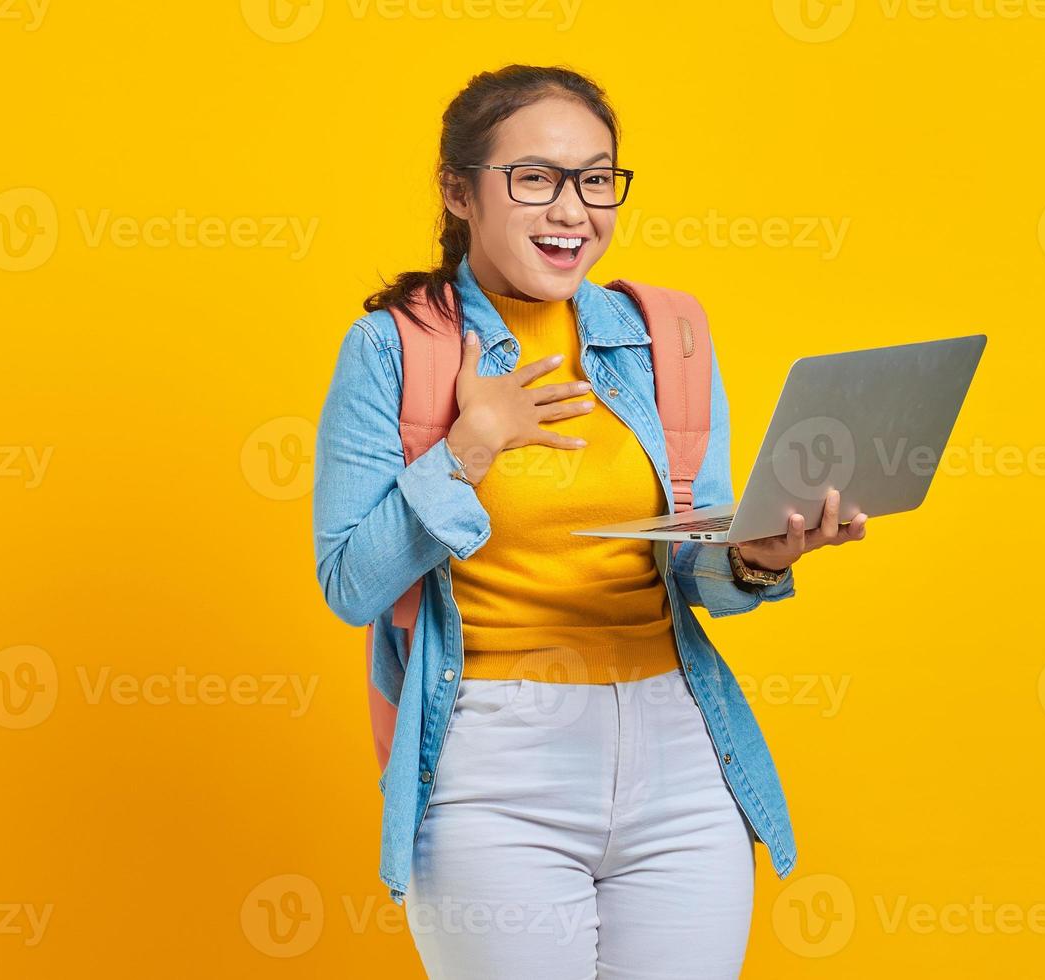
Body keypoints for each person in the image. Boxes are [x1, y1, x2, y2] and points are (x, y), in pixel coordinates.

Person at [313, 63, 867, 979]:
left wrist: (758, 558)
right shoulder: (391, 348)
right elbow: (350, 585)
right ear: (460, 192)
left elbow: (695, 571)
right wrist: (467, 451)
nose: (573, 210)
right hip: (493, 761)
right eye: (535, 178)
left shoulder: (667, 336)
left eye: (596, 178)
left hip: (680, 752)